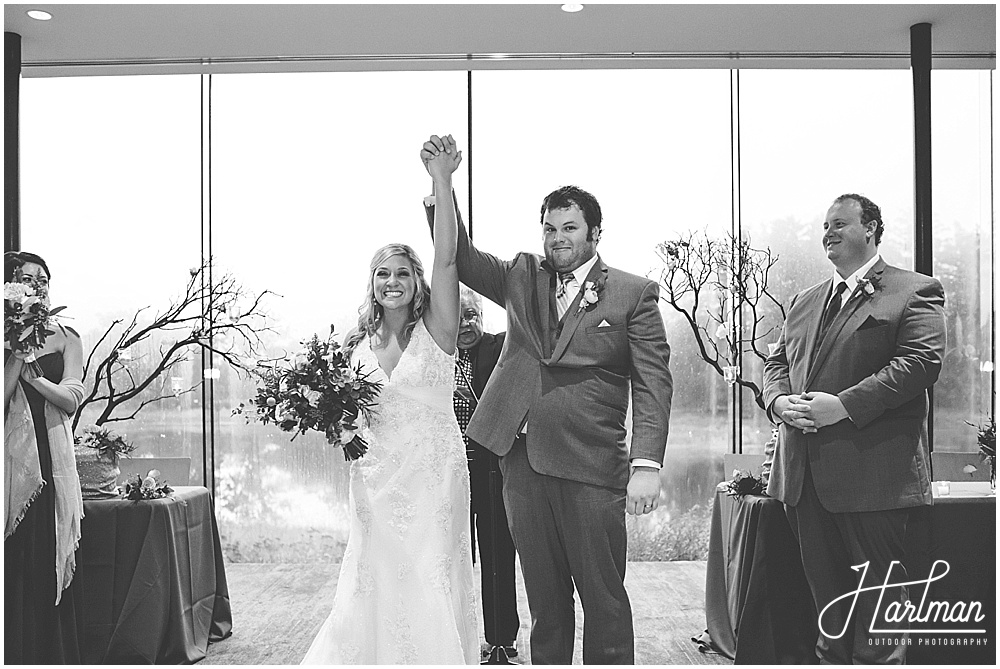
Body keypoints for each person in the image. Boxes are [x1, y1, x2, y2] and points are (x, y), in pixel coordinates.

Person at [421, 136, 674, 665]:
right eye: (550, 228)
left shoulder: (634, 293)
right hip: (520, 462)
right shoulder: (520, 275)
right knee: (546, 606)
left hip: (591, 466)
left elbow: (653, 384)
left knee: (604, 603)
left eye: (570, 228)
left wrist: (646, 464)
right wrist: (441, 182)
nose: (557, 238)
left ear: (595, 233)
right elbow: (461, 257)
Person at [302, 135, 478, 664]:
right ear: (372, 283)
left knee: (430, 576)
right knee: (372, 578)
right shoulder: (353, 346)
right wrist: (340, 428)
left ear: (417, 282)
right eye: (383, 273)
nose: (393, 281)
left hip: (433, 477)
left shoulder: (439, 329)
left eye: (403, 273)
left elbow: (448, 258)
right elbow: (340, 414)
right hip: (374, 481)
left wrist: (441, 182)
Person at [763, 194, 946, 664]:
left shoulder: (915, 290)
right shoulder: (804, 302)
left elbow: (920, 364)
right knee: (827, 612)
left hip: (874, 482)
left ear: (872, 229)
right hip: (803, 481)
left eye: (839, 224)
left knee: (881, 615)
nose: (828, 233)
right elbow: (778, 361)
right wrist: (779, 401)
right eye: (824, 225)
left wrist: (842, 407)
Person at [4, 251, 86, 664]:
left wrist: (35, 374)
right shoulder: (4, 335)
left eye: (43, 278)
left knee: (43, 547)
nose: (36, 284)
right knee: (12, 551)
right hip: (10, 455)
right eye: (26, 277)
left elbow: (71, 398)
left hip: (51, 453)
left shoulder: (67, 336)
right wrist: (16, 352)